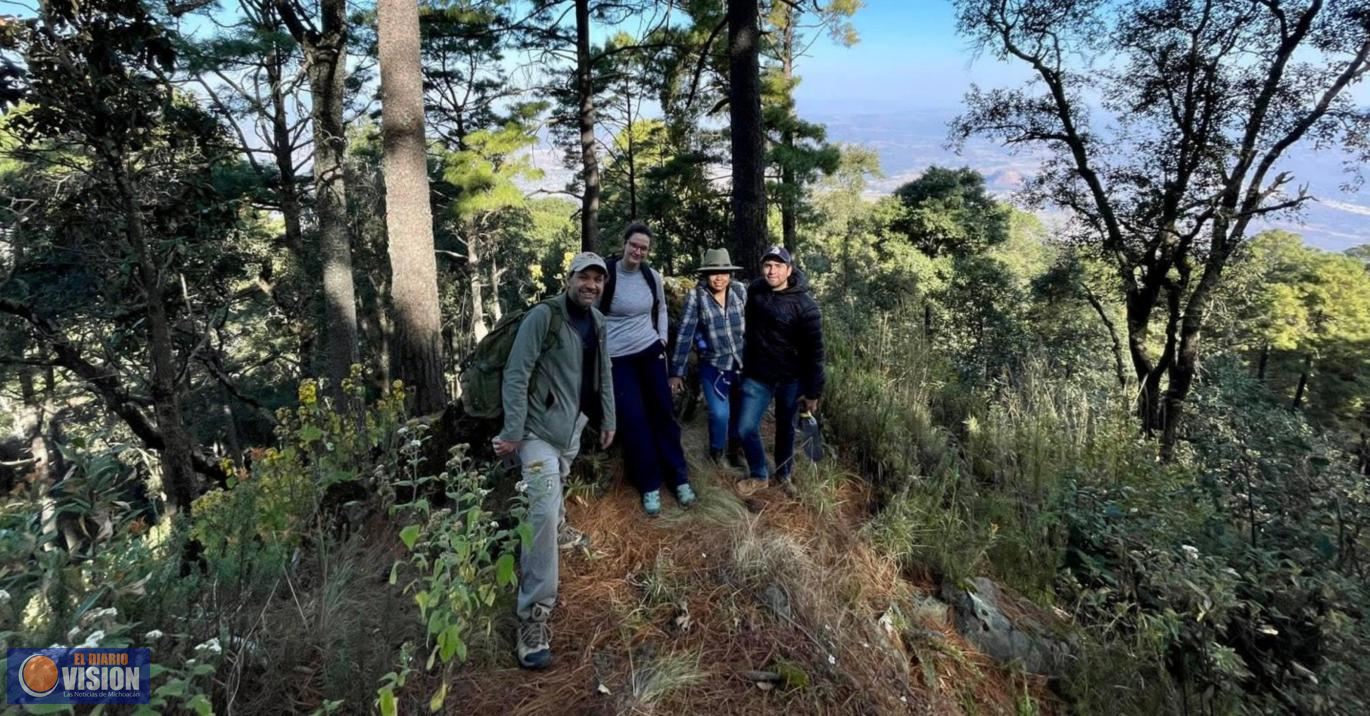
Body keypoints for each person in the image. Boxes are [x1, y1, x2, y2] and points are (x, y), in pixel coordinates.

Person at [494, 251, 616, 670]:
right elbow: (516, 372)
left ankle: (560, 528)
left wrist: (608, 418)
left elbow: (605, 375)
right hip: (536, 432)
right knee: (542, 507)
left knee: (556, 489)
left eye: (599, 280)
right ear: (570, 278)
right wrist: (512, 431)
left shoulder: (598, 323)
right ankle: (533, 617)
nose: (592, 285)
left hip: (572, 429)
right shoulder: (543, 317)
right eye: (585, 277)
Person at [599, 222, 694, 516]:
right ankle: (650, 484)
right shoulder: (608, 275)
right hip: (618, 358)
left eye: (644, 247)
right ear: (624, 243)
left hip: (650, 351)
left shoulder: (651, 276)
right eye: (634, 245)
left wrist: (662, 338)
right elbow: (593, 312)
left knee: (664, 413)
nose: (638, 251)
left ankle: (679, 477)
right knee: (634, 420)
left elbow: (661, 308)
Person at [735, 245, 826, 497]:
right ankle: (759, 474)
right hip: (757, 376)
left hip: (790, 380)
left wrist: (813, 392)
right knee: (745, 428)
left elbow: (815, 354)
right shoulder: (755, 290)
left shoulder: (806, 307)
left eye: (777, 266)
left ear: (789, 270)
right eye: (767, 265)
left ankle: (784, 474)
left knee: (785, 428)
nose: (771, 270)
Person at [668, 248, 746, 468]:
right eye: (713, 272)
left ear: (730, 274)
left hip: (741, 364)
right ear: (705, 274)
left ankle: (735, 450)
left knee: (740, 411)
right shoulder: (697, 297)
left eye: (723, 273)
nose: (718, 278)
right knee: (720, 413)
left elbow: (755, 327)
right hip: (713, 366)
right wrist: (676, 372)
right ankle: (716, 454)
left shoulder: (740, 292)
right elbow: (685, 334)